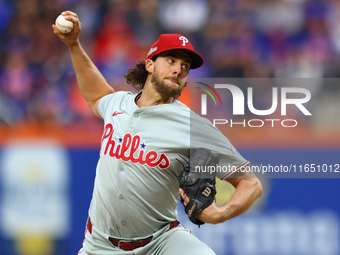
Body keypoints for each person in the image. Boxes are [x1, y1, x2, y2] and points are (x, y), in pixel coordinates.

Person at [53, 11, 263, 255]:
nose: (179, 69)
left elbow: (251, 183)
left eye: (185, 66)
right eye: (171, 60)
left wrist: (221, 214)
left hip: (161, 243)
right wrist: (74, 44)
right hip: (99, 246)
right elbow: (96, 95)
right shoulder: (118, 104)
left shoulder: (194, 126)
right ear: (150, 64)